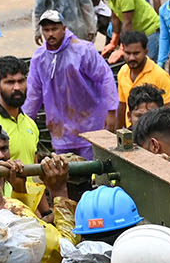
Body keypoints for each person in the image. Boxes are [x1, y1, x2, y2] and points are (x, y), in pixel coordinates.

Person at [27, 9, 118, 160]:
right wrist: (27, 123)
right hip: (60, 130)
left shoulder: (83, 50)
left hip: (91, 124)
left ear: (64, 28)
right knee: (67, 173)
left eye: (54, 29)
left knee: (93, 171)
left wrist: (111, 110)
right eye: (46, 30)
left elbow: (105, 77)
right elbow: (33, 93)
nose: (50, 34)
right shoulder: (39, 58)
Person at [0, 55, 45, 210]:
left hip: (32, 210)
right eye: (10, 82)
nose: (17, 87)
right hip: (6, 211)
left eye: (21, 81)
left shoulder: (30, 124)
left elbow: (35, 173)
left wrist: (45, 211)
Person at [114, 29, 170, 128]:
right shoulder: (122, 72)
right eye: (128, 53)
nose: (131, 58)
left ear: (145, 51)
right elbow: (122, 106)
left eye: (136, 53)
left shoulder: (160, 76)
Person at [96, 0, 161, 56]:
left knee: (150, 63)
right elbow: (115, 19)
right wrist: (113, 42)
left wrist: (123, 48)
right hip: (139, 32)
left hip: (150, 30)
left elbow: (127, 22)